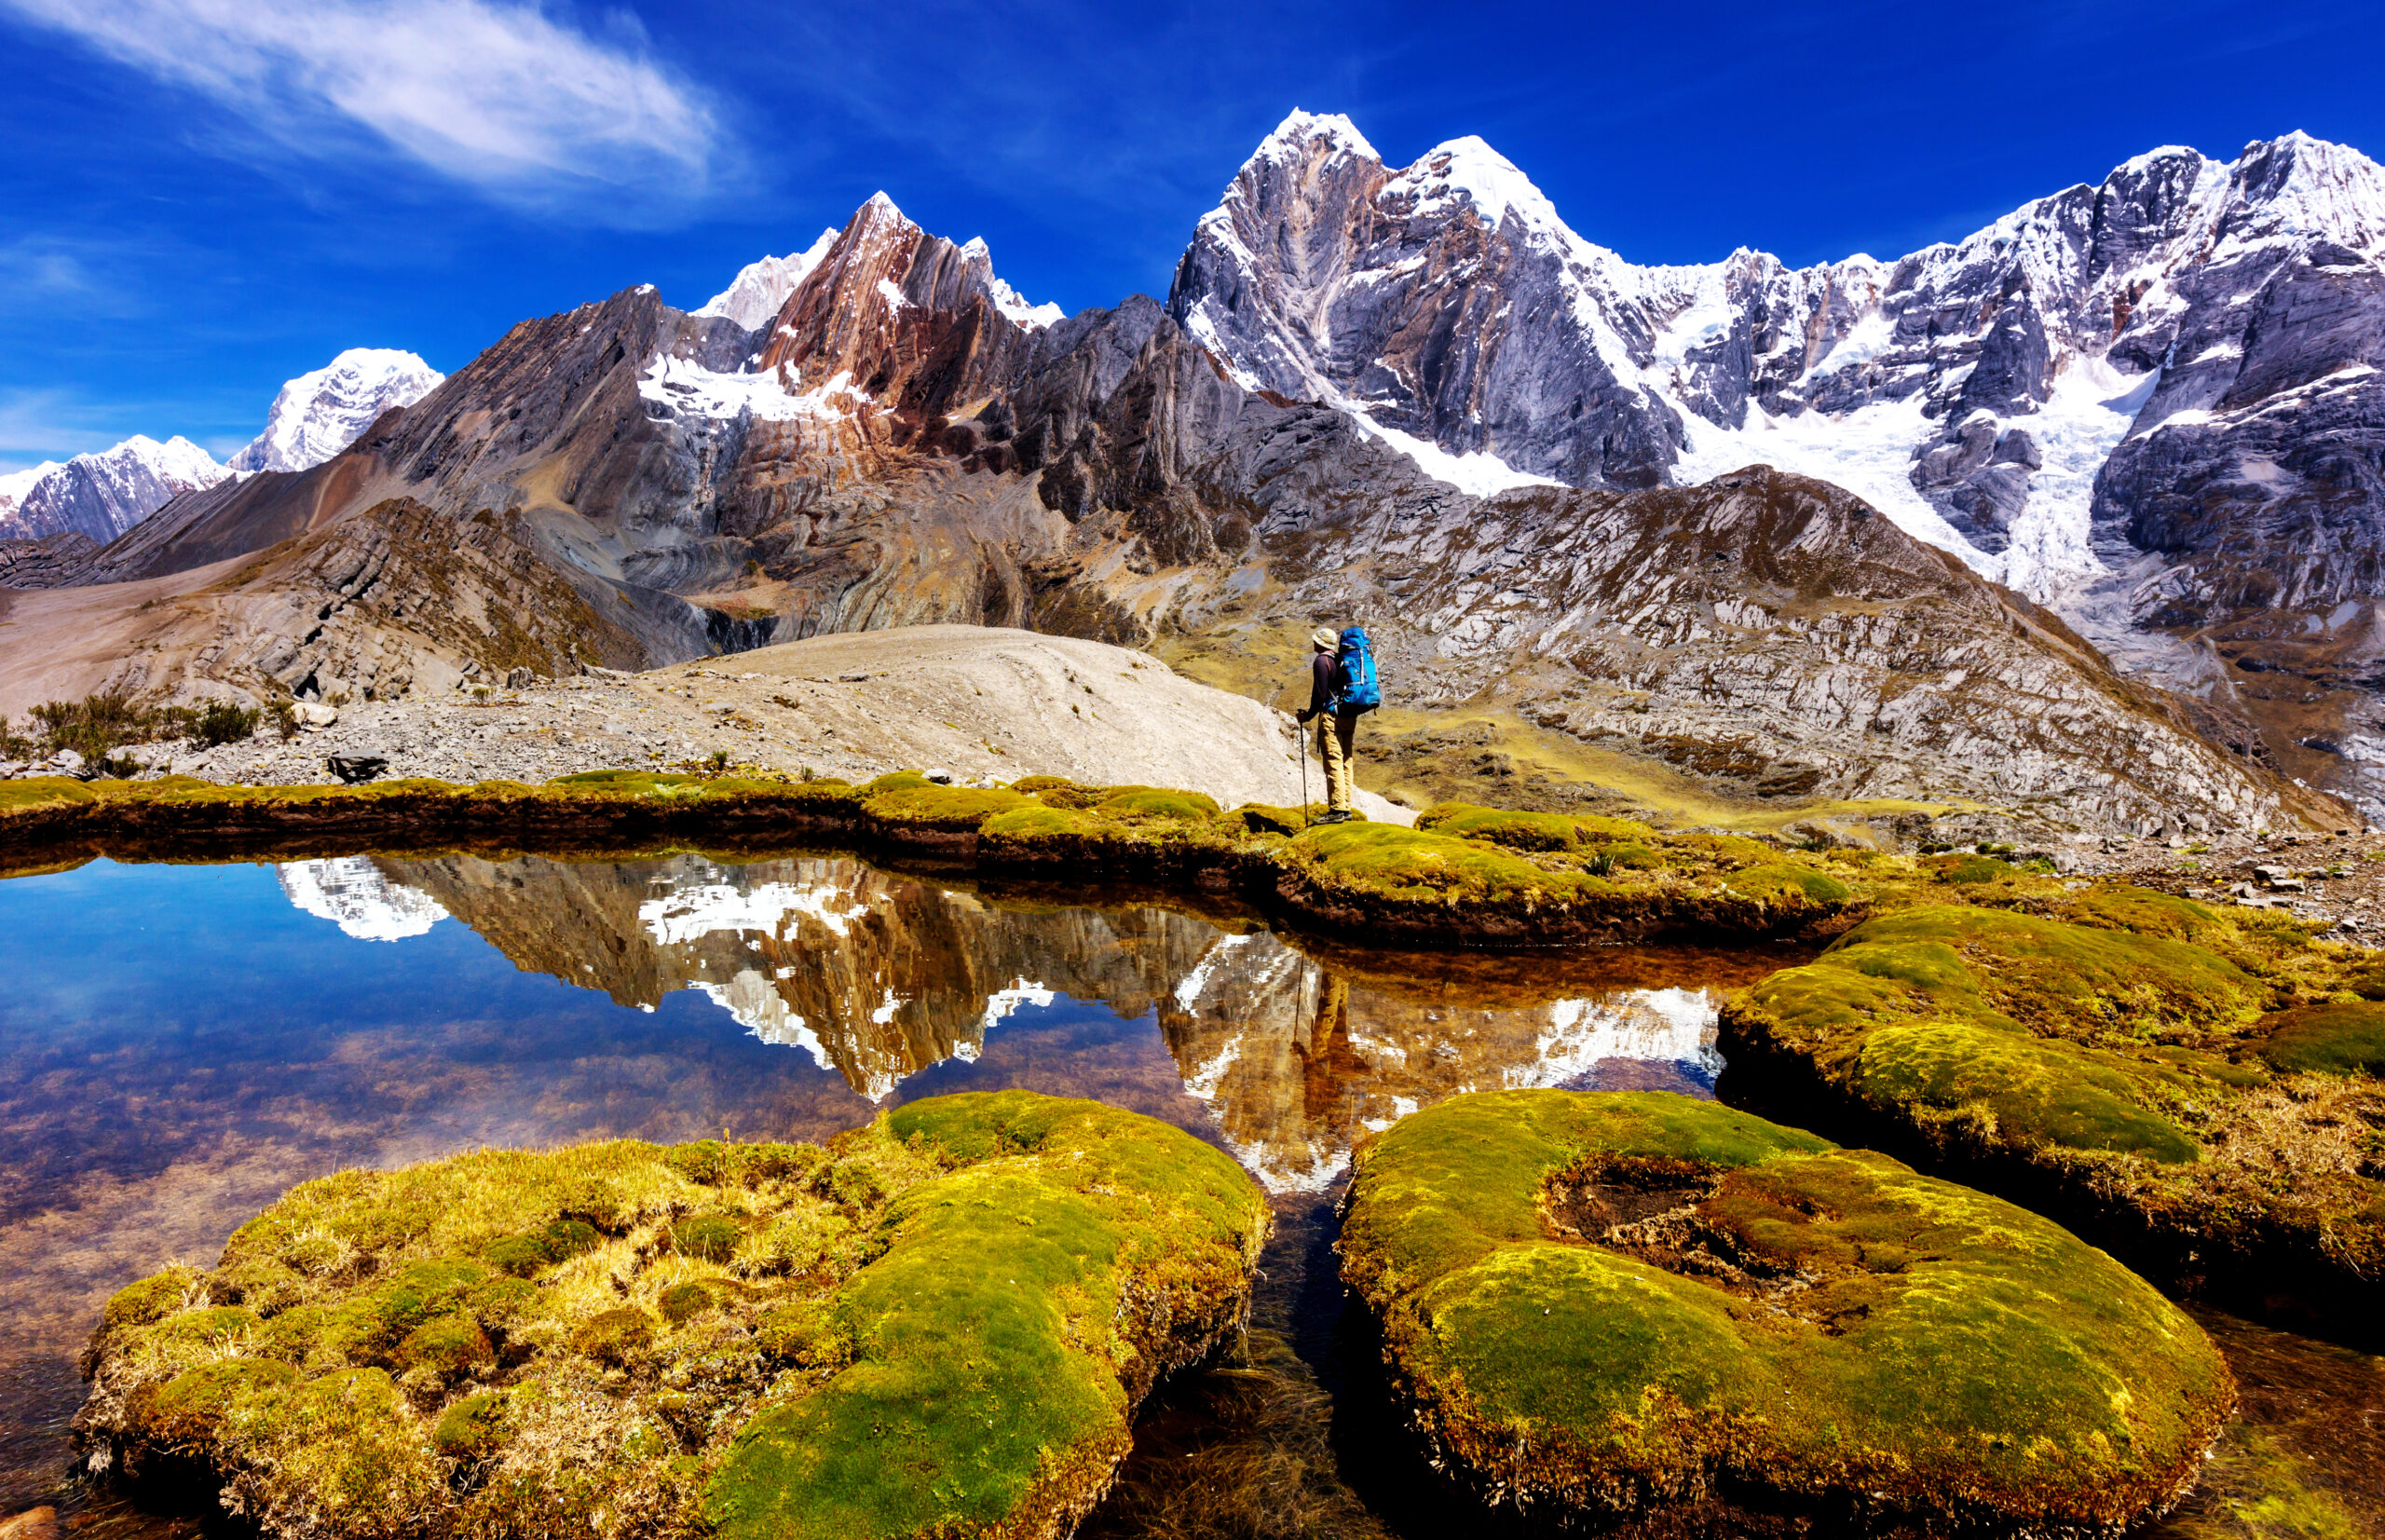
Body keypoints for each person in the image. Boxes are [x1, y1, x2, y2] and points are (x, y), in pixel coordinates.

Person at [1297, 626, 1360, 824]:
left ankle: (1337, 810)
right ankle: (1346, 807)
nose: (1313, 642)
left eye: (1316, 640)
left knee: (1333, 760)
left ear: (1320, 643)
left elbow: (1320, 695)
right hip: (1349, 716)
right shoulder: (1342, 660)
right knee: (1345, 760)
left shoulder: (1321, 661)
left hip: (1331, 716)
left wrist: (1307, 716)